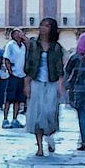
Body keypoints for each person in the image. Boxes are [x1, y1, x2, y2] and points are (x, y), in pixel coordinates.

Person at [24, 18, 65, 157]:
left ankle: (49, 136)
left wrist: (60, 84)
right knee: (36, 116)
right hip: (36, 82)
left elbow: (60, 68)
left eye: (47, 26)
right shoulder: (33, 45)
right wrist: (26, 84)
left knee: (49, 113)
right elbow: (28, 66)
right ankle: (40, 147)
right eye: (42, 25)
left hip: (52, 82)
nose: (43, 28)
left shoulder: (56, 47)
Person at [2, 28, 28, 129]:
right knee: (9, 98)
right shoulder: (10, 45)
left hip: (22, 74)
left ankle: (14, 119)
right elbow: (7, 58)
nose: (19, 34)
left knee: (18, 99)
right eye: (17, 33)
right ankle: (5, 119)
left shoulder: (23, 45)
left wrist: (24, 39)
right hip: (13, 75)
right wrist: (10, 71)